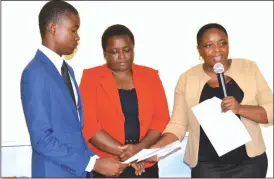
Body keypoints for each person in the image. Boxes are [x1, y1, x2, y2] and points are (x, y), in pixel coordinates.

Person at [147, 23, 273, 178]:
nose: (217, 50)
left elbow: (270, 111)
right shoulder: (187, 78)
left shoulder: (248, 68)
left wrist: (240, 109)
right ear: (199, 50)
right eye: (209, 45)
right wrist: (156, 148)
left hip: (249, 163)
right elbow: (178, 125)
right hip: (207, 166)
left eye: (222, 43)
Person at [20, 1, 126, 177]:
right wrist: (92, 163)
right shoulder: (35, 73)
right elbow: (42, 140)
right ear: (53, 28)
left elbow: (74, 133)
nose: (77, 37)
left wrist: (101, 161)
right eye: (73, 30)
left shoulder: (68, 70)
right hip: (53, 173)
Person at [79, 24, 170, 178]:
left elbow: (161, 118)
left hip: (145, 163)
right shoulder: (91, 78)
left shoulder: (150, 76)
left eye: (126, 50)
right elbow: (89, 126)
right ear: (104, 53)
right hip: (108, 165)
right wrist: (126, 153)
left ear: (133, 49)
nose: (122, 56)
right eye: (114, 52)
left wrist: (139, 149)